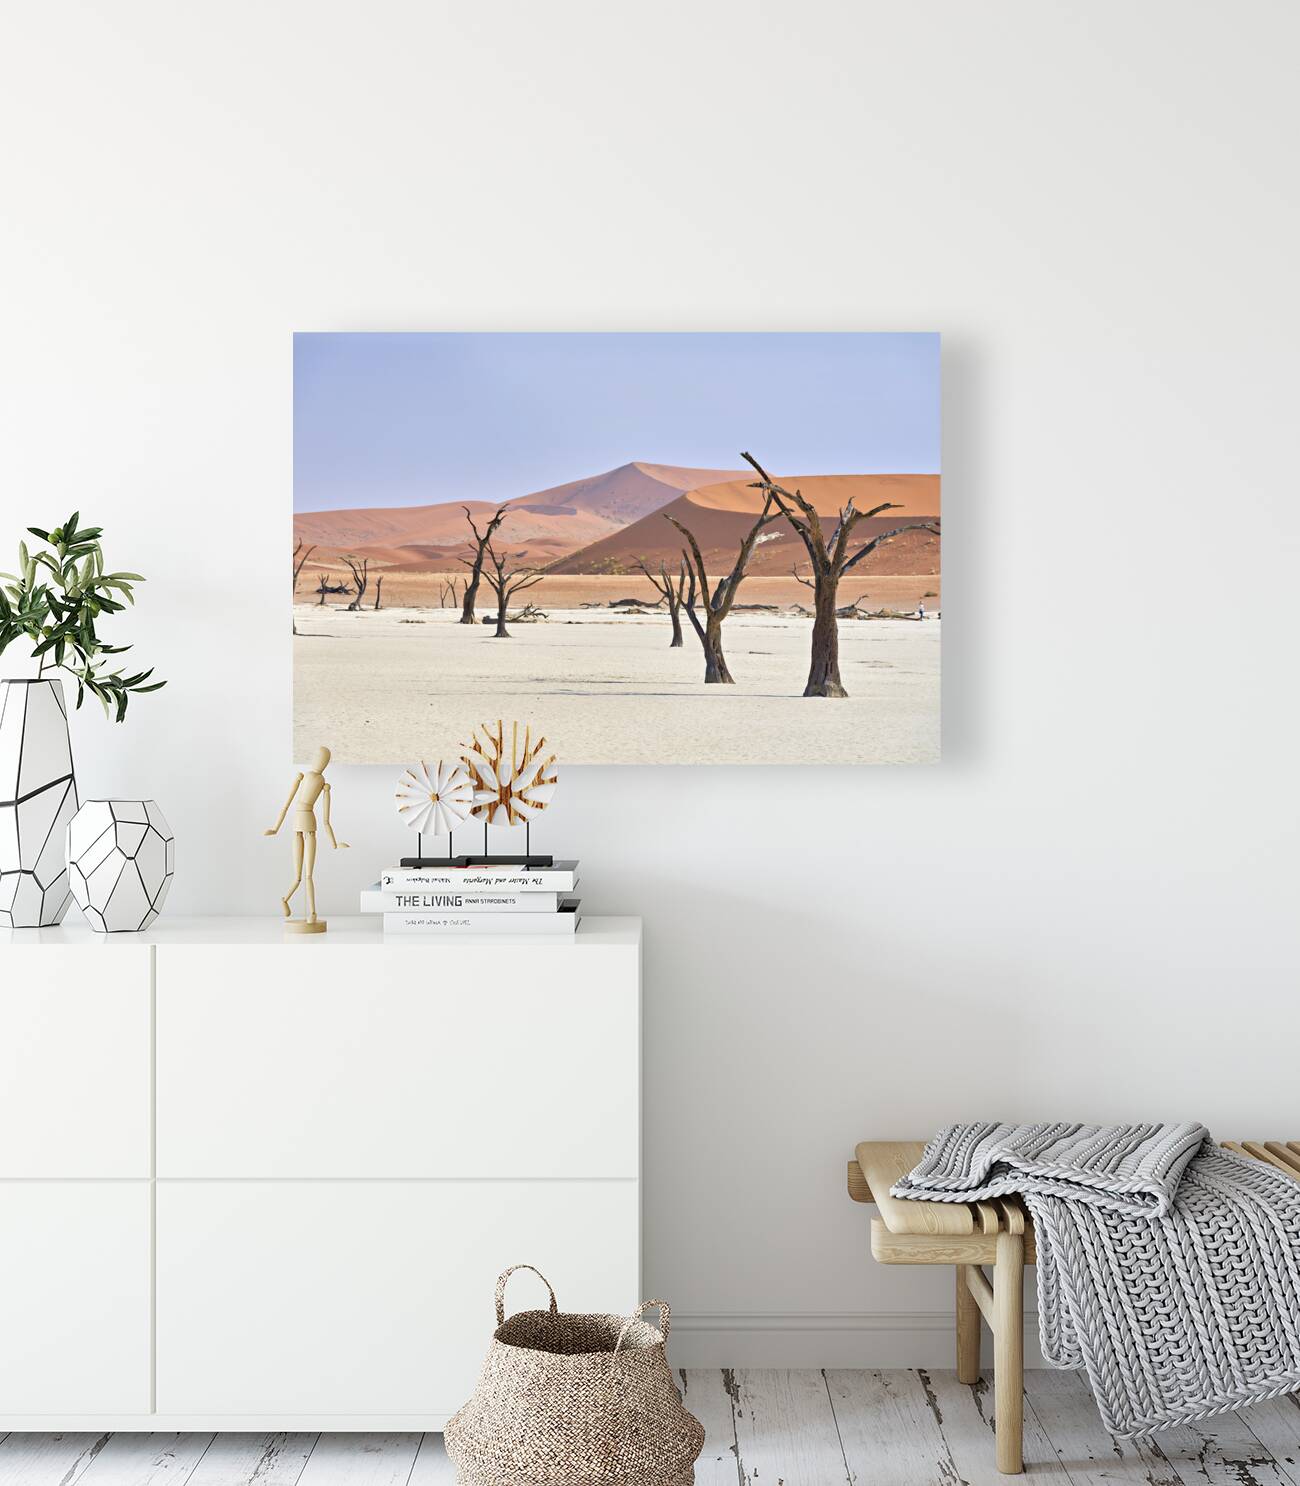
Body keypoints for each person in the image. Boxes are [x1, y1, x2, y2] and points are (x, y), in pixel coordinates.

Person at [265, 744, 349, 928]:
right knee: (298, 876)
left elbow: (326, 820)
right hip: (298, 824)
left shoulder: (323, 784)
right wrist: (275, 828)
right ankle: (285, 899)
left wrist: (334, 843)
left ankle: (312, 912)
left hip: (310, 825)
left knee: (309, 874)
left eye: (324, 760)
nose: (320, 762)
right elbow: (286, 805)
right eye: (319, 758)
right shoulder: (302, 777)